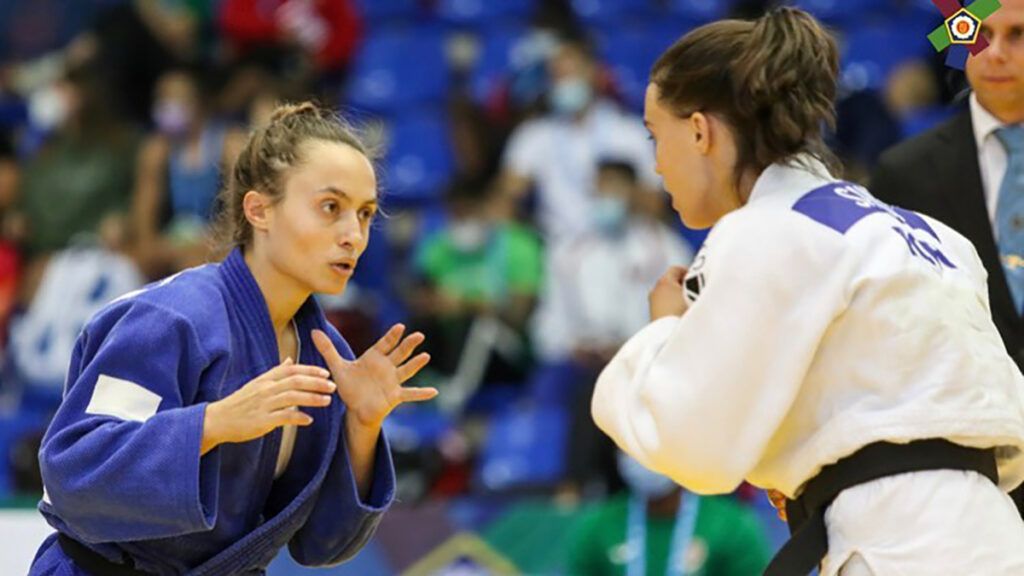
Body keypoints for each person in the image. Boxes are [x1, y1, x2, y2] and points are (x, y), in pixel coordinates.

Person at [590, 8, 1024, 576]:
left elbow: (695, 448)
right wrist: (811, 469)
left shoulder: (763, 231)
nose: (657, 165)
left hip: (898, 544)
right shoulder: (931, 236)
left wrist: (663, 332)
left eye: (657, 136)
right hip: (992, 534)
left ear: (699, 131)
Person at [28, 102, 437, 575]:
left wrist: (362, 428)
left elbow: (323, 546)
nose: (354, 235)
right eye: (331, 207)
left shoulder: (327, 357)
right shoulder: (169, 321)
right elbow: (75, 473)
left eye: (365, 214)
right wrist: (214, 423)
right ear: (259, 209)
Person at [870, 0, 1024, 516]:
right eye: (980, 35)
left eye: (1017, 35)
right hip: (967, 459)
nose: (995, 53)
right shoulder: (903, 174)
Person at [565, 451, 771, 576]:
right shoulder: (596, 527)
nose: (641, 459)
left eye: (650, 449)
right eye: (629, 448)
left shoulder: (732, 527)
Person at [132, 68, 246, 277]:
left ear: (199, 103)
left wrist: (210, 245)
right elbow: (144, 216)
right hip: (174, 239)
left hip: (217, 239)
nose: (167, 106)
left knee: (193, 263)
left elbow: (240, 212)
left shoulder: (230, 144)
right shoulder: (157, 150)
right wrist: (152, 249)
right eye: (162, 99)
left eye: (176, 99)